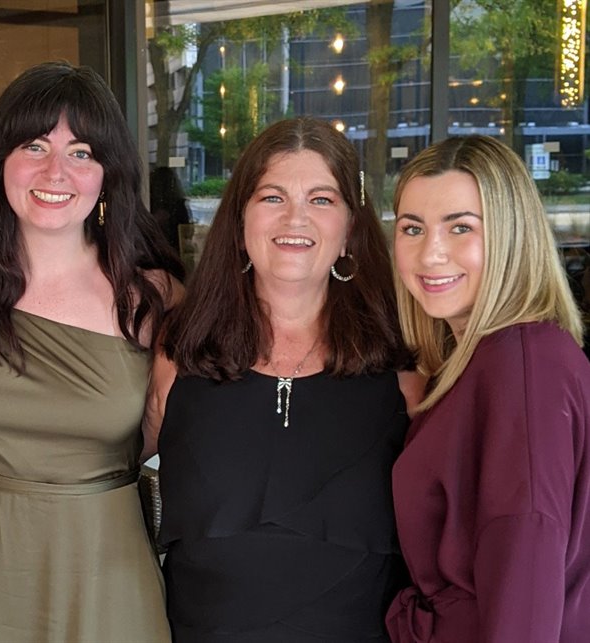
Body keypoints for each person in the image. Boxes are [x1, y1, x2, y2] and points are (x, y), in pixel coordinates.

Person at [0, 61, 183, 642]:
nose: (56, 171)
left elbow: (189, 431)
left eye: (82, 152)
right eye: (34, 145)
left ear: (108, 174)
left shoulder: (152, 296)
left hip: (106, 568)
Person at [149, 116, 422, 642]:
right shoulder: (178, 353)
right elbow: (107, 475)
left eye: (322, 200)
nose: (295, 217)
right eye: (272, 197)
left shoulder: (405, 370)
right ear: (240, 219)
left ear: (350, 229)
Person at [386, 135, 590, 641]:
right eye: (413, 228)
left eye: (461, 228)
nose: (430, 253)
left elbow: (526, 590)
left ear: (511, 235)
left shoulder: (525, 370)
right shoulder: (479, 359)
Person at [150, 166, 192, 254]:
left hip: (158, 250)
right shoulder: (179, 204)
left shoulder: (149, 203)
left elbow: (185, 230)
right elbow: (187, 230)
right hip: (173, 250)